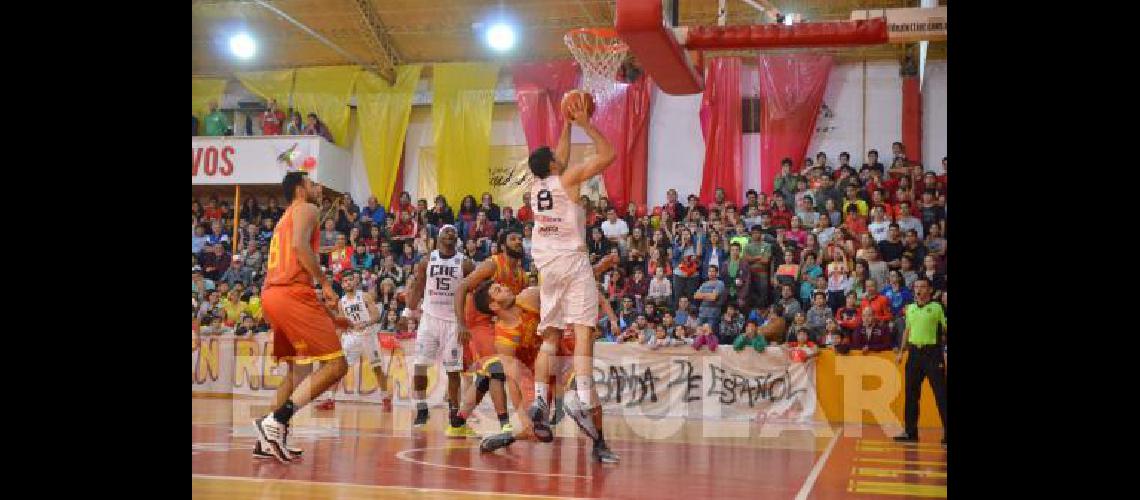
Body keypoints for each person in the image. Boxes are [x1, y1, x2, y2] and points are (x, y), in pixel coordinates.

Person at [523, 96, 619, 464]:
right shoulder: (568, 179)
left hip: (547, 268)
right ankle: (582, 400)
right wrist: (584, 123)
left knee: (549, 337)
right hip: (573, 262)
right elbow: (607, 154)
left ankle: (540, 400)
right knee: (583, 335)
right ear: (552, 164)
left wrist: (564, 123)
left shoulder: (537, 188)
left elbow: (556, 156)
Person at [252, 171, 349, 463]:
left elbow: (291, 265)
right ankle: (276, 421)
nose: (317, 187)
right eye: (311, 183)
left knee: (298, 373)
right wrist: (327, 284)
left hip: (273, 295)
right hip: (291, 294)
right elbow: (299, 248)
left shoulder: (285, 217)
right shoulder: (308, 209)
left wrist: (329, 316)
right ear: (299, 189)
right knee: (337, 365)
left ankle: (266, 440)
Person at [452, 230, 531, 436]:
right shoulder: (493, 264)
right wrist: (461, 324)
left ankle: (457, 421)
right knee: (496, 369)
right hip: (478, 323)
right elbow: (461, 288)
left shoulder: (522, 275)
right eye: (513, 239)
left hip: (498, 323)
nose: (518, 241)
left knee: (485, 379)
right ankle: (505, 424)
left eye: (520, 239)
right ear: (503, 246)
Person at [406, 225, 474, 433]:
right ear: (438, 237)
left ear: (457, 239)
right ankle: (421, 407)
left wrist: (466, 322)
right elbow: (418, 286)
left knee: (453, 371)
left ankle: (454, 414)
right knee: (419, 365)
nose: (450, 234)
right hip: (429, 318)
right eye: (446, 231)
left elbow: (471, 294)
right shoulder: (427, 260)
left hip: (453, 322)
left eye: (453, 232)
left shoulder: (465, 263)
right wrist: (408, 311)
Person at [894, 277, 948, 446]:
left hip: (932, 353)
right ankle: (910, 432)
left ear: (929, 290)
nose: (919, 290)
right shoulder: (909, 309)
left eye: (923, 287)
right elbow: (907, 331)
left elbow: (945, 328)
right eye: (916, 287)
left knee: (941, 394)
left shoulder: (937, 307)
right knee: (911, 393)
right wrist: (901, 352)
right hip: (914, 354)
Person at [335, 271, 393, 412]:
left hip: (368, 335)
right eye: (345, 281)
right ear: (342, 285)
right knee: (339, 368)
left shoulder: (364, 296)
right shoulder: (341, 302)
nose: (348, 283)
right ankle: (330, 399)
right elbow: (342, 322)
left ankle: (385, 399)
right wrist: (340, 334)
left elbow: (376, 315)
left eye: (350, 280)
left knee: (377, 368)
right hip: (352, 337)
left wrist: (365, 324)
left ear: (355, 282)